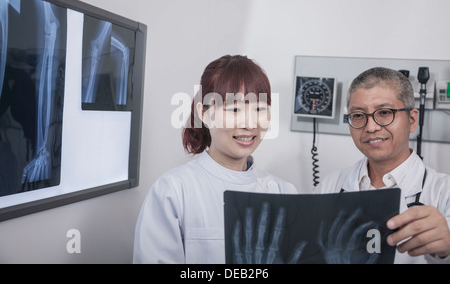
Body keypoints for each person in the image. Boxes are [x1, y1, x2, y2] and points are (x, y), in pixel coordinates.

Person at [133, 55, 297, 263]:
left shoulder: (285, 193)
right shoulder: (172, 192)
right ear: (203, 113)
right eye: (235, 109)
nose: (249, 123)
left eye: (259, 109)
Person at [314, 67, 450, 264]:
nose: (371, 127)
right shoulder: (330, 186)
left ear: (412, 120)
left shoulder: (444, 192)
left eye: (385, 112)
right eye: (359, 115)